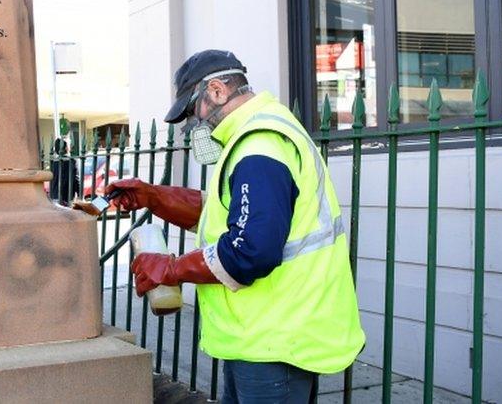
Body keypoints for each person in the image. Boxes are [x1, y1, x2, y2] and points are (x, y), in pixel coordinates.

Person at [108, 50, 364, 403]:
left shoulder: (259, 144)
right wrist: (153, 196)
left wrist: (171, 269)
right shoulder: (256, 136)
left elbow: (250, 250)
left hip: (275, 342)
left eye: (191, 111)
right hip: (262, 338)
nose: (194, 123)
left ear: (215, 91)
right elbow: (223, 213)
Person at [48, 137, 80, 206]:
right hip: (68, 196)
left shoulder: (53, 163)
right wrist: (80, 194)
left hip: (55, 196)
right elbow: (76, 179)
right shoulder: (72, 161)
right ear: (65, 148)